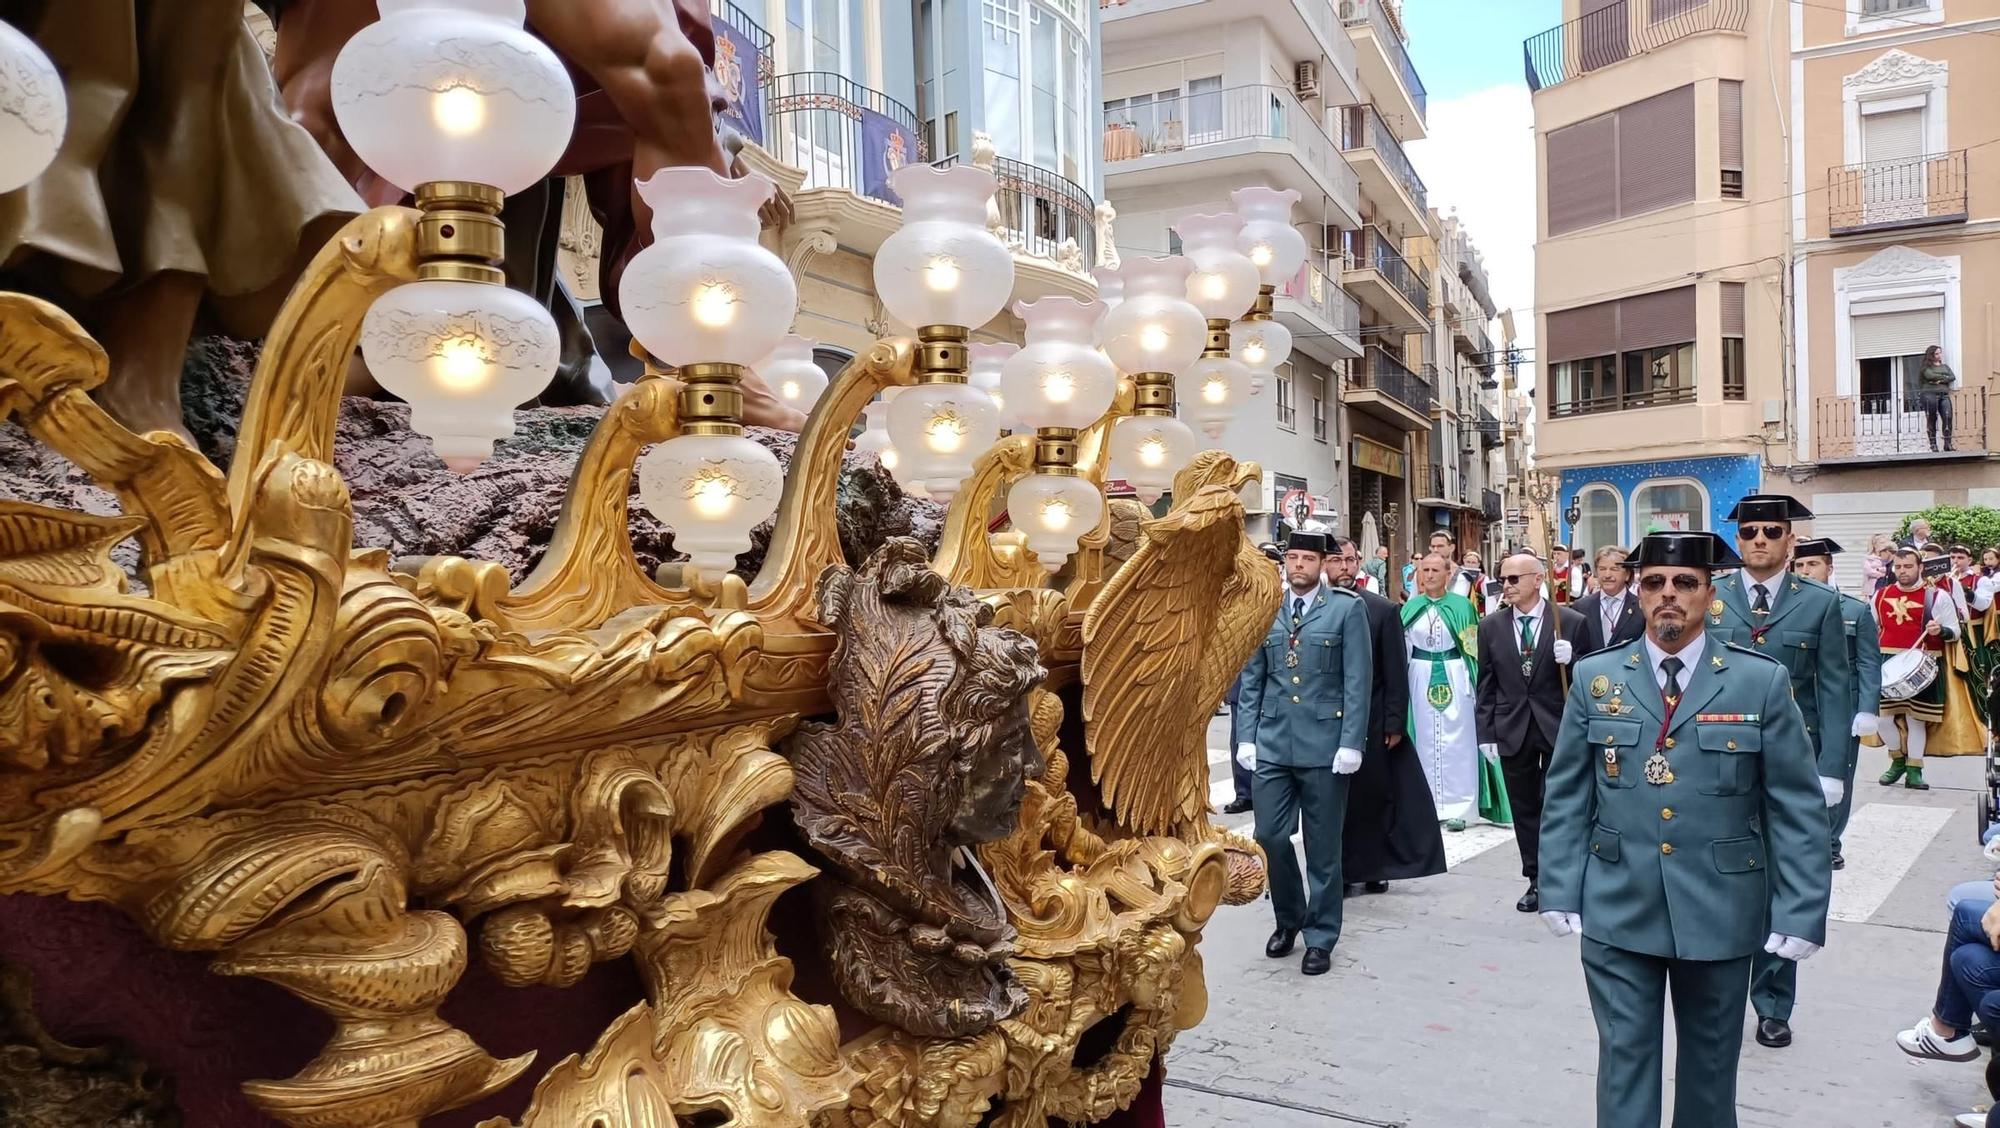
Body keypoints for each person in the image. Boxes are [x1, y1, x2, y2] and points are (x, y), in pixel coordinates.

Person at [1540, 531, 1831, 1128]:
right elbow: (1568, 791)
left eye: (1685, 583)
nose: (1667, 595)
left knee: (1710, 1067)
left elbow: (1796, 808)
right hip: (1618, 904)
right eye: (1654, 583)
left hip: (1721, 908)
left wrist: (1802, 909)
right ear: (1639, 592)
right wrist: (1559, 884)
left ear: (1710, 594)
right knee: (1624, 1061)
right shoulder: (1599, 679)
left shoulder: (1759, 681)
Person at [1703, 493, 1850, 1050]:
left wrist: (1831, 767)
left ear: (1791, 541)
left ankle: (1772, 1002)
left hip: (1792, 763)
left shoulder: (1819, 604)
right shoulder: (1710, 600)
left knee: (1780, 877)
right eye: (1748, 533)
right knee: (1723, 874)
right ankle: (1717, 990)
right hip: (1721, 761)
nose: (1758, 540)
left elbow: (1835, 687)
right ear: (1737, 542)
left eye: (1770, 531)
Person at [1233, 530, 1372, 976]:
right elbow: (1253, 677)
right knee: (1270, 837)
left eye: (1307, 559)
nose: (1298, 566)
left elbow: (1357, 682)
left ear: (1323, 564)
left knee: (1323, 848)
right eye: (1291, 558)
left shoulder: (1347, 610)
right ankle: (1288, 919)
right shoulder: (1267, 610)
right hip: (1274, 742)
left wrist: (1351, 742)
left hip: (1325, 745)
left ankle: (1321, 935)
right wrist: (1246, 737)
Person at [1326, 538, 1446, 894]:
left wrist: (1395, 721)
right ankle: (1343, 870)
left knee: (1373, 797)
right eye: (1336, 561)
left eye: (1350, 560)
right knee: (1336, 802)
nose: (1344, 567)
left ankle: (1375, 866)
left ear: (1359, 562)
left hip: (1373, 720)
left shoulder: (1381, 609)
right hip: (1327, 722)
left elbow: (1396, 670)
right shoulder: (1316, 609)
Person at [1474, 552, 1583, 913]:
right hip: (1512, 725)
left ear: (1538, 579)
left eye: (1514, 579)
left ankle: (1562, 878)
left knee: (1558, 804)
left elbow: (1593, 680)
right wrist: (1485, 732)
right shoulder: (1491, 626)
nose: (1506, 586)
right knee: (1524, 807)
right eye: (1503, 579)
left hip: (1557, 725)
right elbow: (1486, 683)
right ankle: (1535, 878)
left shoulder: (1568, 622)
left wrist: (1576, 660)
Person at [1791, 538, 1882, 871]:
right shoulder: (1787, 609)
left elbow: (1869, 662)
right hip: (1800, 704)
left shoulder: (1854, 609)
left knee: (1836, 773)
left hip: (1844, 705)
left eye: (1812, 564)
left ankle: (1829, 842)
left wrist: (1868, 707)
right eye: (1799, 566)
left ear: (1829, 568)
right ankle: (1800, 837)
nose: (1805, 571)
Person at [1402, 552, 1483, 831]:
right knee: (1423, 739)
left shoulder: (1462, 606)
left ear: (1448, 574)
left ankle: (1461, 806)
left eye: (1436, 570)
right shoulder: (1409, 608)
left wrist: (1473, 681)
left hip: (1454, 673)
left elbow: (1472, 649)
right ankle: (1425, 804)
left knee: (1458, 740)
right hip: (1420, 675)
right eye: (1425, 570)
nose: (1430, 575)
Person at [1878, 546, 1962, 789]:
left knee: (1916, 720)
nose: (1902, 571)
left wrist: (1941, 630)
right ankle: (1897, 761)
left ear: (1920, 568)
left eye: (1908, 566)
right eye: (1898, 567)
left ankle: (1914, 769)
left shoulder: (1937, 596)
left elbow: (1955, 631)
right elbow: (1870, 627)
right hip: (1887, 664)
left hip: (1923, 663)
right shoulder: (1881, 595)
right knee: (1882, 721)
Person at [1572, 546, 1645, 656]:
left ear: (1627, 574)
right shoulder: (1581, 607)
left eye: (1614, 569)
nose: (1607, 575)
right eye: (1602, 569)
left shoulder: (1641, 607)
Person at [1920, 345, 1957, 452]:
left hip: (1944, 395)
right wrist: (1944, 378)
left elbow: (1952, 377)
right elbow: (1930, 376)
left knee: (1948, 417)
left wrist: (1940, 381)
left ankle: (1947, 444)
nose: (1939, 355)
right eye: (1937, 353)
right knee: (1932, 418)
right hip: (1929, 394)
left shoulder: (1945, 367)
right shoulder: (1926, 368)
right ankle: (1933, 445)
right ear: (1931, 355)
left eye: (1940, 353)